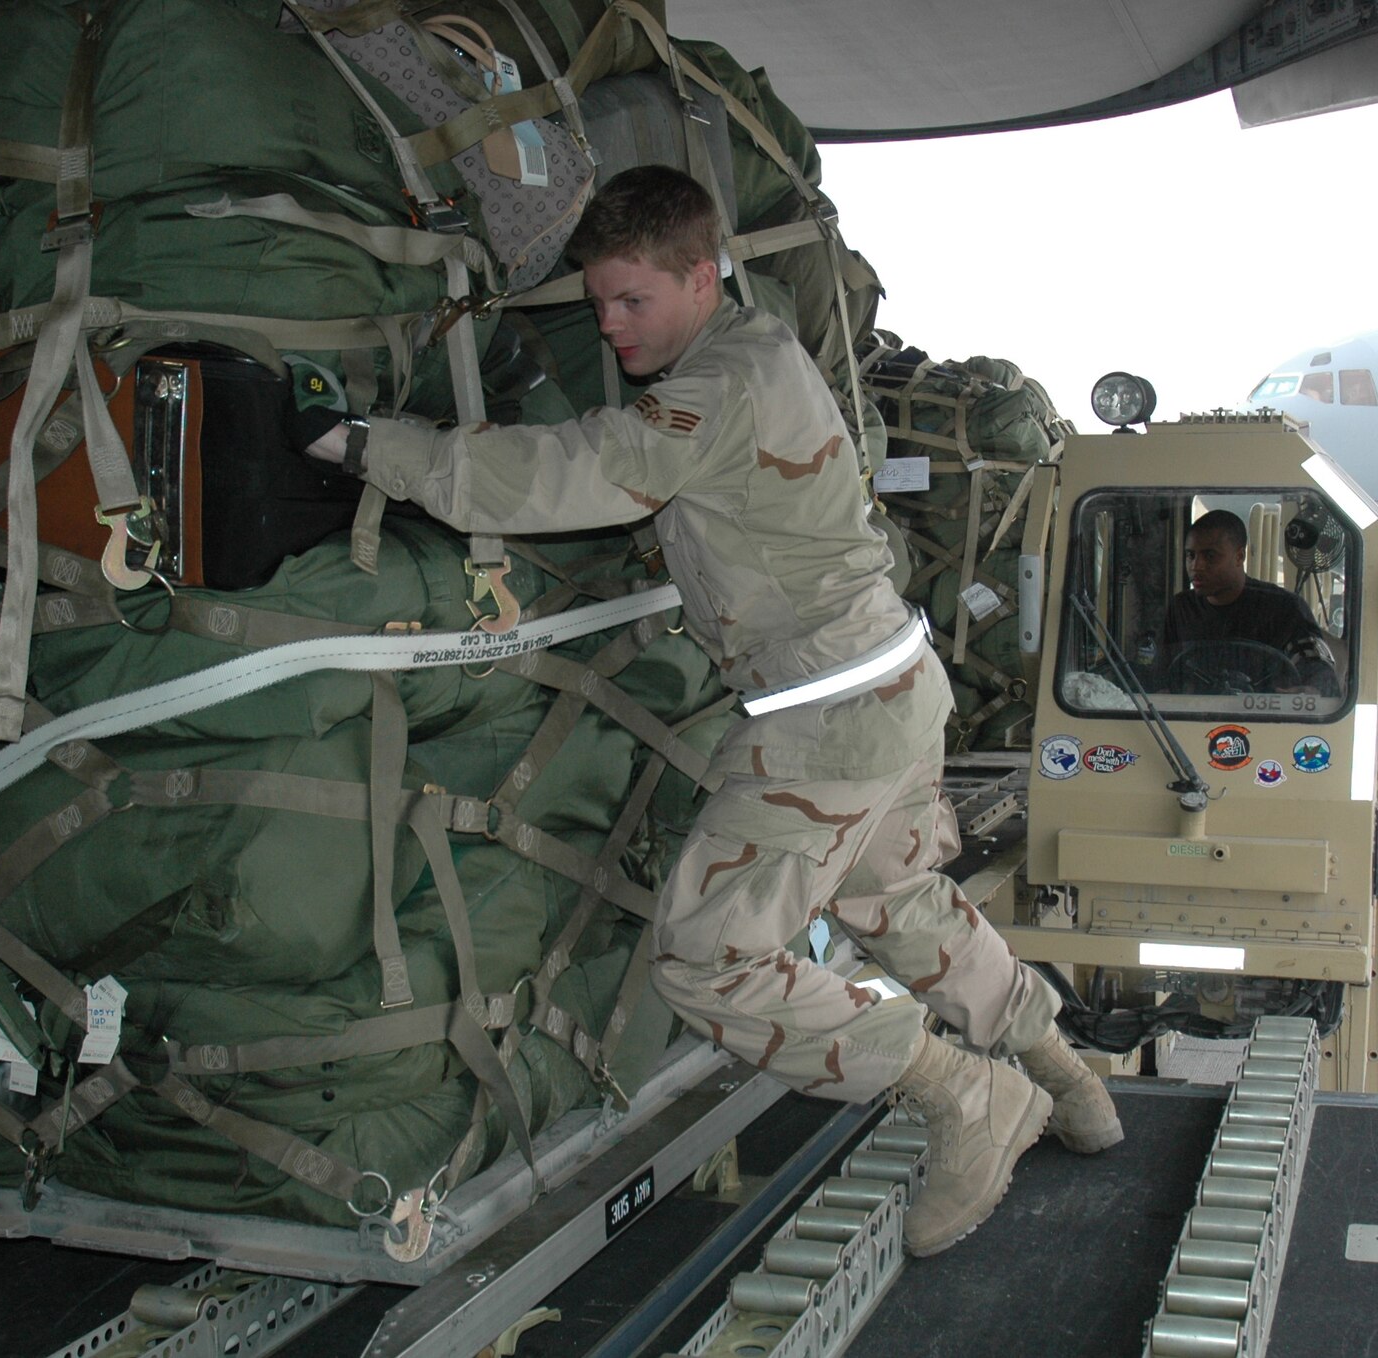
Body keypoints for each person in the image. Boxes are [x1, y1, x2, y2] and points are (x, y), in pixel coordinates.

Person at [292, 166, 1120, 1257]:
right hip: (891, 682)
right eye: (596, 303)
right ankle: (1064, 1073)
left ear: (700, 273)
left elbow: (569, 474)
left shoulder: (715, 387)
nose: (611, 324)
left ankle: (963, 1095)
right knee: (897, 899)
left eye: (632, 300)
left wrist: (366, 444)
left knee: (705, 958)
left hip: (828, 713)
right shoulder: (756, 349)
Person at [1158, 510, 1339, 695]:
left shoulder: (1285, 608)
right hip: (1191, 721)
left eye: (1210, 556)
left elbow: (1319, 672)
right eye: (1191, 556)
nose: (1196, 566)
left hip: (1268, 721)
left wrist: (1310, 690)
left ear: (1239, 556)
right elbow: (1161, 675)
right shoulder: (1181, 608)